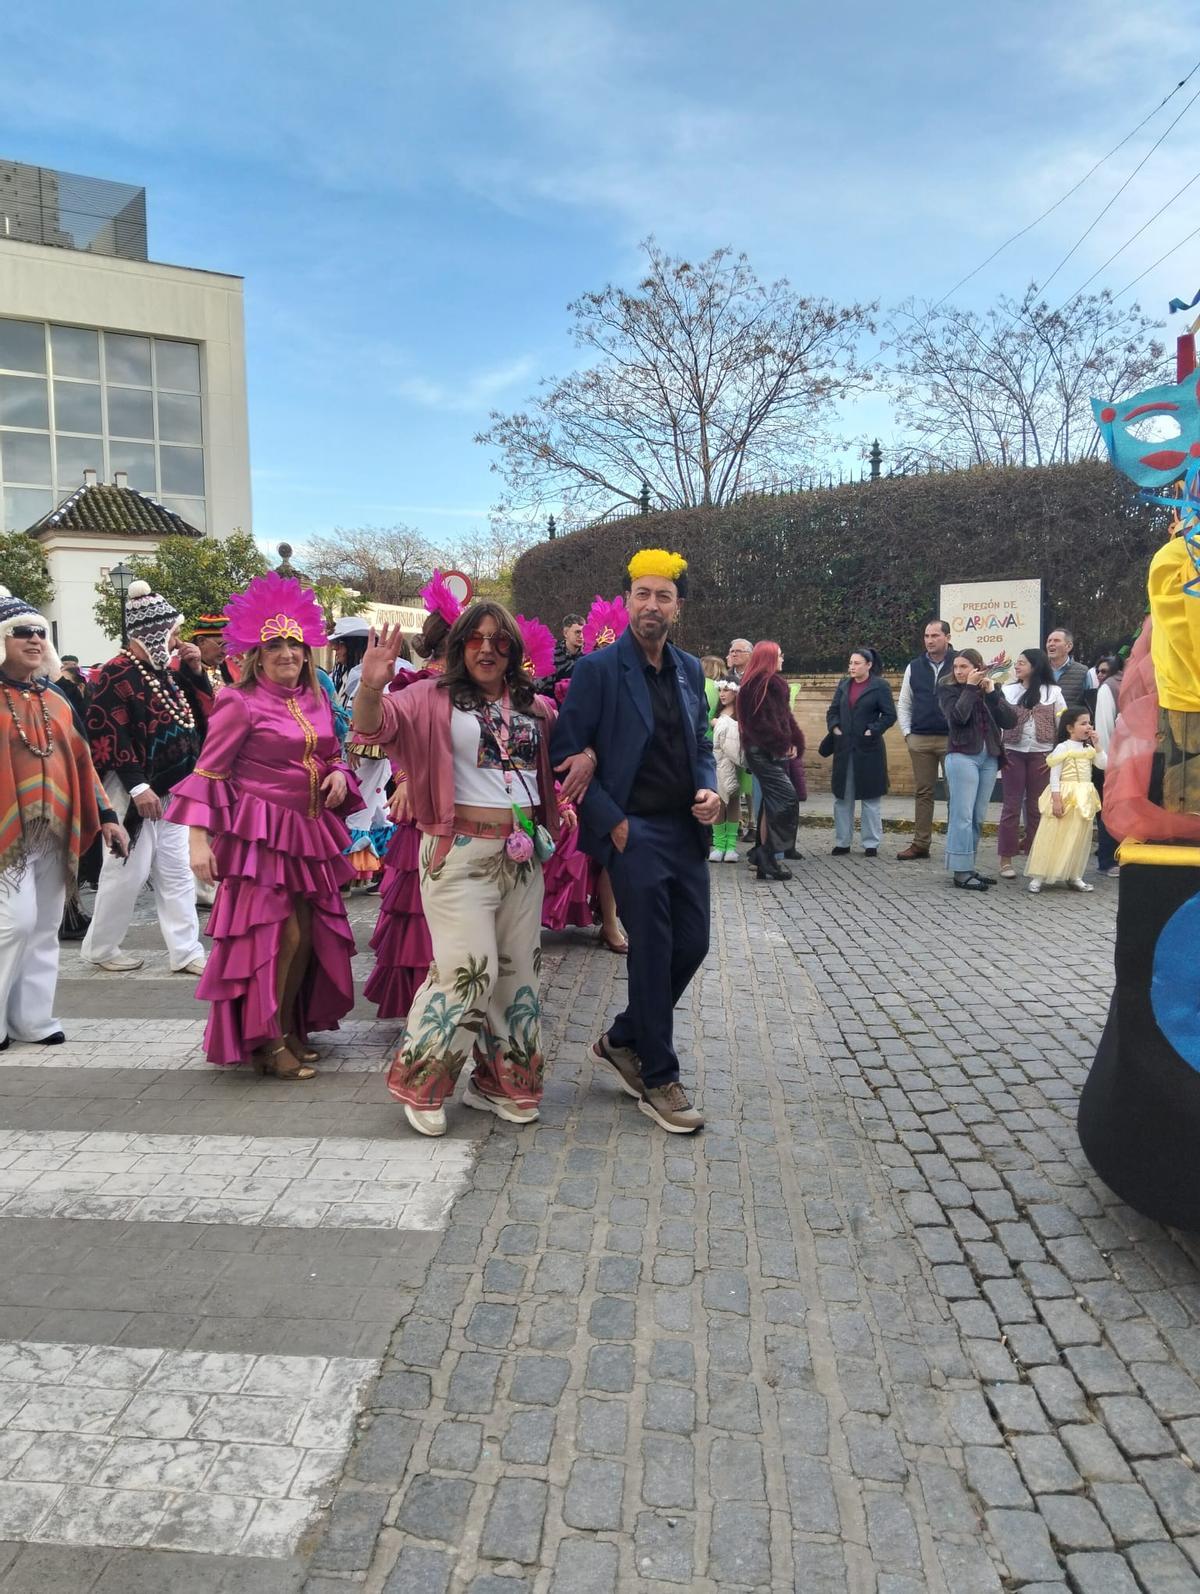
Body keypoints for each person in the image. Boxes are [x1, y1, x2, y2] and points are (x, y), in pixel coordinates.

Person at [354, 601, 573, 1137]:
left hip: (521, 859)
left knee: (518, 975)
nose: (487, 649)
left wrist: (568, 789)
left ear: (513, 650)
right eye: (476, 638)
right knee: (469, 969)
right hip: (458, 856)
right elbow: (372, 728)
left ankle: (502, 1082)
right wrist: (370, 687)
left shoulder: (536, 707)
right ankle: (421, 1079)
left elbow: (555, 764)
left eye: (500, 641)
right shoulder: (430, 698)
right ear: (459, 646)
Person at [551, 548, 718, 1135]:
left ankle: (623, 1038)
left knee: (692, 943)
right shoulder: (598, 670)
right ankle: (658, 1078)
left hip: (684, 827)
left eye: (663, 596)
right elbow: (563, 753)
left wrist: (709, 788)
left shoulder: (690, 669)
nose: (652, 605)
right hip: (633, 829)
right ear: (627, 602)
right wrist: (612, 821)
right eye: (642, 595)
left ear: (678, 607)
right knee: (652, 947)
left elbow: (700, 742)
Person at [166, 572, 358, 1077]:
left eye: (294, 644)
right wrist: (198, 842)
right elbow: (208, 771)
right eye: (275, 645)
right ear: (256, 652)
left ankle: (290, 1027)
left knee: (312, 935)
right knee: (281, 937)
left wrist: (337, 775)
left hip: (309, 831)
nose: (287, 654)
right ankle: (267, 1042)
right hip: (260, 837)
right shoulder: (239, 700)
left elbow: (330, 753)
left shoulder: (316, 697)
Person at [0, 590, 127, 1045]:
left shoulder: (55, 698)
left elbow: (82, 761)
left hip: (54, 831)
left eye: (39, 632)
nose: (34, 640)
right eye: (21, 633)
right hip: (5, 836)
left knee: (44, 925)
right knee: (12, 923)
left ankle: (32, 1019)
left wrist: (108, 816)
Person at [81, 582, 210, 974]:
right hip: (133, 789)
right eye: (171, 632)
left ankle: (186, 950)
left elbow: (200, 718)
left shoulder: (166, 674)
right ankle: (101, 948)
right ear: (152, 631)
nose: (176, 640)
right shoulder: (112, 674)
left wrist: (195, 671)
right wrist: (137, 785)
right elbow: (107, 734)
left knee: (175, 870)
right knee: (126, 872)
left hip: (172, 789)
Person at [938, 647, 1017, 891]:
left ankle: (969, 867)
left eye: (964, 667)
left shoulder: (989, 688)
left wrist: (992, 693)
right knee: (962, 815)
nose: (959, 671)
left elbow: (1010, 721)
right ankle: (960, 872)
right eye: (956, 667)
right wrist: (971, 689)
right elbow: (957, 718)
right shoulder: (947, 688)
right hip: (962, 755)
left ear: (977, 667)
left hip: (989, 756)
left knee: (978, 816)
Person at [997, 648, 1066, 878]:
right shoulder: (1008, 690)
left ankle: (1034, 854)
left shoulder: (1053, 691)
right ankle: (1006, 859)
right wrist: (1000, 754)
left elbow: (1063, 725)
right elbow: (1000, 724)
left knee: (1037, 808)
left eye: (1022, 663)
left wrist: (1055, 755)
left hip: (1042, 755)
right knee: (1011, 807)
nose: (1017, 666)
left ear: (1035, 666)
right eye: (1017, 663)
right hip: (1013, 753)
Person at [737, 642, 803, 880]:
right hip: (761, 751)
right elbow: (758, 724)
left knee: (772, 802)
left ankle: (765, 856)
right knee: (785, 799)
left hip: (770, 751)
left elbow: (785, 718)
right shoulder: (758, 686)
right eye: (779, 655)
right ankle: (767, 853)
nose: (783, 659)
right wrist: (782, 744)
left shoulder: (771, 684)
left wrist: (793, 741)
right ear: (769, 658)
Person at [823, 648, 896, 858]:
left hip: (869, 749)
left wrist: (872, 729)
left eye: (857, 663)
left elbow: (890, 715)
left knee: (871, 798)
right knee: (843, 797)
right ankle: (842, 841)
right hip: (844, 748)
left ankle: (871, 843)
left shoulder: (879, 686)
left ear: (868, 665)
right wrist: (835, 727)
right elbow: (833, 710)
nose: (852, 667)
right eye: (850, 663)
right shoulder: (844, 684)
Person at [895, 619, 955, 860]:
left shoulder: (960, 663)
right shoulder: (915, 666)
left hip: (952, 740)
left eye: (935, 636)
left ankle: (955, 845)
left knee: (956, 793)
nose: (930, 640)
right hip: (919, 739)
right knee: (923, 793)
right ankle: (921, 844)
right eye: (927, 636)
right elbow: (905, 702)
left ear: (947, 637)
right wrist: (908, 734)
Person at [1026, 705, 1101, 894]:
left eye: (1089, 723)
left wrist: (1097, 744)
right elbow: (1054, 776)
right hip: (1065, 793)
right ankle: (1039, 875)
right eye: (1083, 723)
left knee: (1077, 835)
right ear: (1070, 728)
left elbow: (1103, 764)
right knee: (1054, 833)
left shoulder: (1089, 749)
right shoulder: (1063, 747)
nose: (1088, 727)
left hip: (1083, 796)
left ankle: (1074, 874)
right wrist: (1057, 800)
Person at [1092, 653, 1123, 876]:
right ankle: (1108, 859)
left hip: (1141, 759)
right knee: (1110, 808)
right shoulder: (1109, 687)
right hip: (1115, 761)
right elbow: (1103, 727)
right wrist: (1107, 760)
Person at [710, 680, 743, 862]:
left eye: (727, 690)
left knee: (733, 801)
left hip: (734, 763)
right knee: (718, 802)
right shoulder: (715, 713)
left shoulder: (740, 714)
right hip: (716, 763)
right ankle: (718, 844)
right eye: (720, 690)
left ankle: (731, 846)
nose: (722, 694)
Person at [186, 614, 239, 693]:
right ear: (201, 641)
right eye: (222, 644)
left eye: (229, 645)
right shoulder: (178, 670)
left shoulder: (232, 666)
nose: (225, 651)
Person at [1045, 627, 1089, 706]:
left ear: (1069, 646)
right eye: (1049, 641)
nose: (1051, 644)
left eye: (1056, 641)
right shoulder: (1039, 670)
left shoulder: (1083, 672)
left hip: (1070, 717)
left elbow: (1089, 703)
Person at [553, 613, 584, 684]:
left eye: (583, 632)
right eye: (577, 632)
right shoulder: (553, 656)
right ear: (565, 633)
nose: (581, 636)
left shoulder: (588, 655)